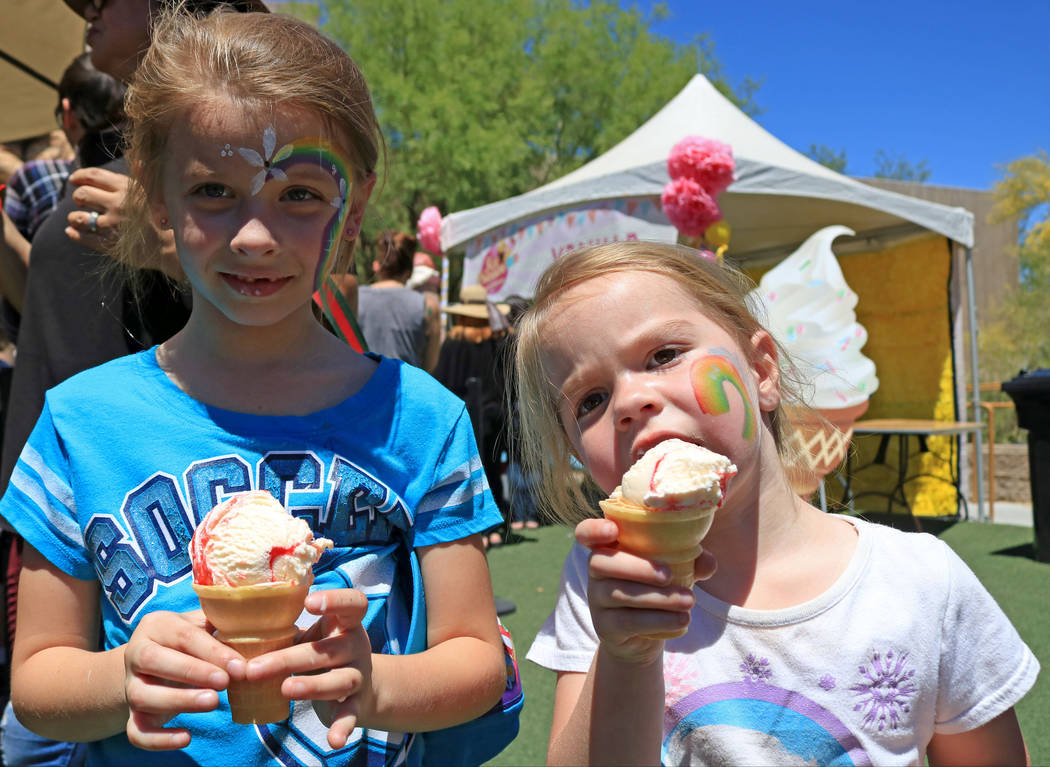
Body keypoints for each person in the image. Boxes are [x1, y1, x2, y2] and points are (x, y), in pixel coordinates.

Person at [0, 9, 506, 767]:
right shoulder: (80, 424)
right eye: (213, 190)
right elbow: (38, 679)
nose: (255, 235)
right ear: (158, 199)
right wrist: (123, 675)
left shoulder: (423, 419)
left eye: (300, 195)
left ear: (355, 207)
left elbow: (475, 658)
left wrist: (376, 685)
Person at [515, 241, 1039, 766]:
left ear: (762, 371)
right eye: (591, 400)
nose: (629, 402)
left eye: (664, 355)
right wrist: (625, 656)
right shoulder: (606, 580)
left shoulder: (923, 582)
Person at [433, 285, 512, 545]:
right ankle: (496, 525)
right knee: (491, 468)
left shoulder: (454, 343)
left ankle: (478, 526)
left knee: (469, 473)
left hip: (465, 418)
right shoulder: (497, 342)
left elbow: (443, 385)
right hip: (495, 416)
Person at [356, 230, 440, 369]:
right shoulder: (428, 307)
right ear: (409, 272)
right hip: (404, 389)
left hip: (359, 387)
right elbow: (430, 366)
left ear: (379, 268)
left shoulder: (355, 298)